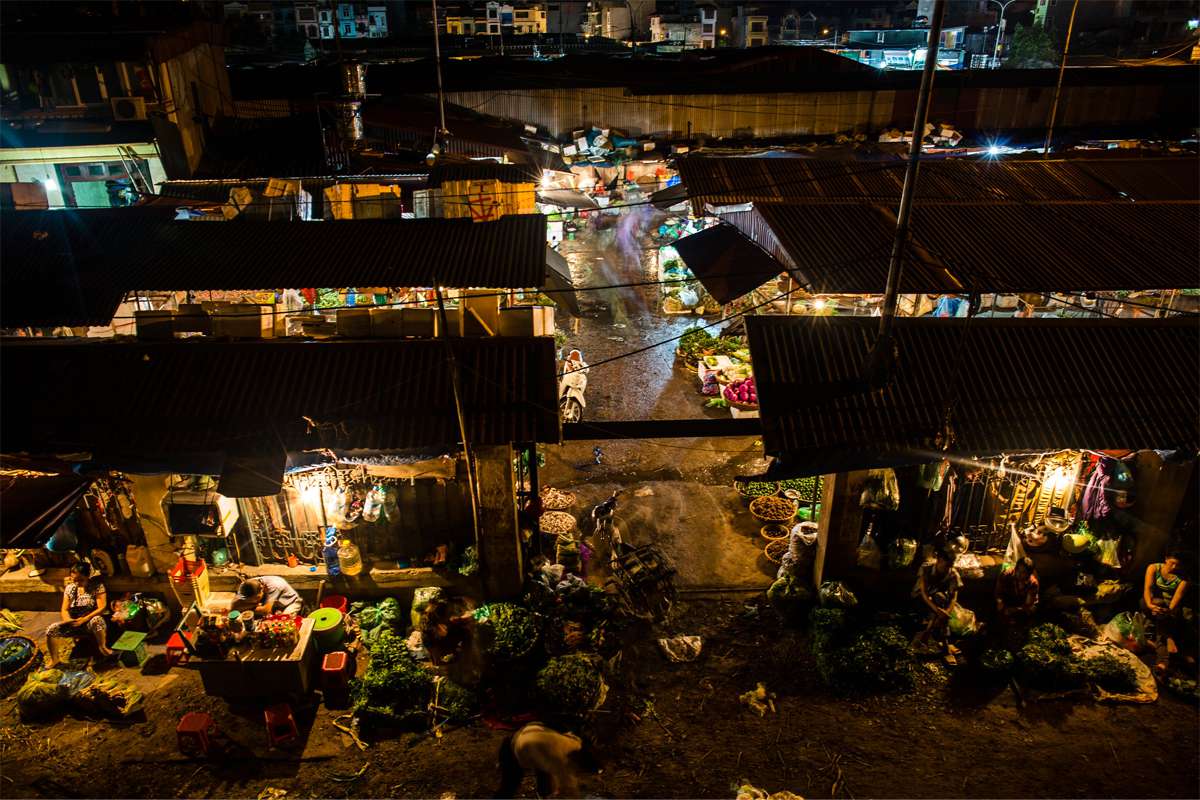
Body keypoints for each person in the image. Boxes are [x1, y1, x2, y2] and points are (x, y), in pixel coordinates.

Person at [495, 722, 599, 799]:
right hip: (515, 748)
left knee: (544, 772)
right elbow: (570, 790)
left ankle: (544, 794)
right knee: (509, 786)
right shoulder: (561, 761)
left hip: (529, 733)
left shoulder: (575, 742)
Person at [45, 562, 112, 663]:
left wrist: (84, 619)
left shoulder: (97, 586)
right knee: (51, 629)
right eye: (74, 580)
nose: (77, 583)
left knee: (97, 620)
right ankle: (54, 659)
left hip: (90, 621)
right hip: (74, 622)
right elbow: (64, 609)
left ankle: (102, 647)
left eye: (81, 580)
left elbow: (102, 607)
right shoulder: (70, 588)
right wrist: (68, 621)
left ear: (88, 576)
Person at [1142, 552, 1190, 676]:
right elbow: (1148, 588)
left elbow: (1176, 599)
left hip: (1168, 609)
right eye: (1172, 563)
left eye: (1177, 565)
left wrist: (1167, 611)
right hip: (1151, 603)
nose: (1174, 567)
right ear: (1166, 559)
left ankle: (1162, 663)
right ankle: (1168, 639)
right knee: (1159, 602)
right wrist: (1150, 605)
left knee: (1162, 622)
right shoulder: (1153, 568)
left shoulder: (1184, 579)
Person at [912, 546, 963, 652]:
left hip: (938, 602)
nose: (949, 568)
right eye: (947, 564)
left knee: (940, 598)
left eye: (951, 565)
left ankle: (926, 635)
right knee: (938, 600)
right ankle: (944, 642)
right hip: (920, 599)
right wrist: (938, 611)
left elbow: (954, 597)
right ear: (939, 560)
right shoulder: (926, 568)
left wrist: (945, 613)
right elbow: (924, 593)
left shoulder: (953, 574)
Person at [995, 556, 1040, 626]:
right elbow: (998, 592)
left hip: (1023, 605)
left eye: (1023, 572)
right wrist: (1000, 601)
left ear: (1029, 574)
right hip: (1009, 599)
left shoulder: (1033, 584)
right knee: (999, 609)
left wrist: (1013, 610)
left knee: (1031, 610)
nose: (1019, 574)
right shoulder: (1006, 575)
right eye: (1018, 570)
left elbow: (1028, 604)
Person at [236, 576, 303, 617]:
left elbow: (266, 611)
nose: (255, 601)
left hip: (291, 602)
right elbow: (236, 604)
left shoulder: (274, 586)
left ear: (263, 588)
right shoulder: (246, 585)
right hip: (275, 604)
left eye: (257, 598)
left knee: (283, 620)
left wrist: (245, 608)